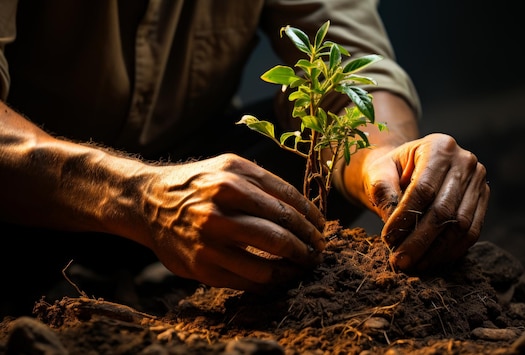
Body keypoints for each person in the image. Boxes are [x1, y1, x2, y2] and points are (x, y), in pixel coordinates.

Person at [0, 1, 489, 316]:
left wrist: (383, 154)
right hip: (29, 201)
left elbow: (351, 59)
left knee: (299, 154)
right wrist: (140, 196)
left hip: (199, 185)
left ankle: (182, 278)